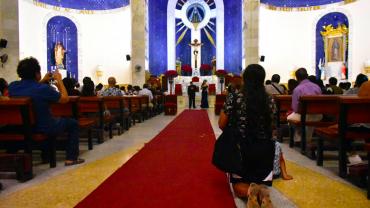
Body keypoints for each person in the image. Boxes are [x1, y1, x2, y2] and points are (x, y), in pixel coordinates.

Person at [8, 57, 84, 166]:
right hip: (44, 127)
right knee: (73, 123)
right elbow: (65, 99)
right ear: (37, 73)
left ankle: (45, 155)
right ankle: (71, 158)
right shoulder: (43, 89)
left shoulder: (13, 87)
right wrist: (59, 80)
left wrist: (42, 80)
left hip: (20, 128)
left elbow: (30, 88)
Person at [218, 64, 275, 207]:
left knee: (237, 186)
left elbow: (221, 124)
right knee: (259, 179)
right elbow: (272, 125)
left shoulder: (235, 97)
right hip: (265, 149)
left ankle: (251, 191)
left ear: (245, 79)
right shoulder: (270, 99)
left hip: (241, 149)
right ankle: (261, 191)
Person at [287, 68, 322, 143]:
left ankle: (298, 138)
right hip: (318, 114)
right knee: (310, 118)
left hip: (303, 115)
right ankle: (307, 138)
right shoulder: (317, 87)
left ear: (297, 78)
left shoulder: (297, 89)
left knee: (290, 117)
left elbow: (295, 108)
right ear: (307, 75)